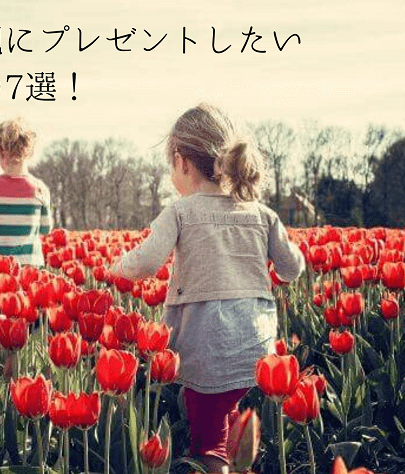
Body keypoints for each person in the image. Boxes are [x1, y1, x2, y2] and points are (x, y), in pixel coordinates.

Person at [110, 104, 305, 473]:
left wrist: (117, 266)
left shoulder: (181, 212)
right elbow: (292, 268)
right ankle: (240, 461)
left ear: (182, 162)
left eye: (172, 166)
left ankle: (218, 466)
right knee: (230, 415)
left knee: (208, 442)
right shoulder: (262, 214)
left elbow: (146, 263)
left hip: (207, 346)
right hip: (256, 346)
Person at [0, 118, 52, 266]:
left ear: (0, 153)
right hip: (30, 264)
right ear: (30, 153)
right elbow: (46, 228)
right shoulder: (40, 189)